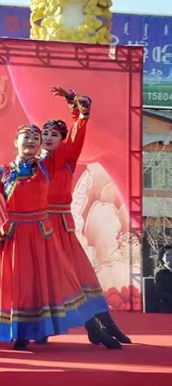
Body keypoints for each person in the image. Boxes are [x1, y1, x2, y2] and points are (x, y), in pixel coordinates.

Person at [0, 123, 122, 351]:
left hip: (43, 236)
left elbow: (73, 145)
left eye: (36, 138)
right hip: (15, 237)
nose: (31, 141)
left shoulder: (46, 165)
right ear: (15, 142)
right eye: (26, 137)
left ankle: (95, 329)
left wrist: (80, 114)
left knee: (64, 282)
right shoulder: (3, 172)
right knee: (22, 285)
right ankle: (21, 334)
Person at [39, 86, 130, 345]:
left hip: (62, 227)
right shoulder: (32, 161)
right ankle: (43, 329)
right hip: (40, 226)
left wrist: (73, 104)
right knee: (44, 279)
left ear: (62, 139)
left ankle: (105, 325)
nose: (48, 138)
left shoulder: (67, 156)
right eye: (45, 133)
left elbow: (79, 128)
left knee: (80, 277)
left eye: (54, 134)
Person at [155, 245, 172, 313]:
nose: (170, 257)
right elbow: (161, 293)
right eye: (167, 255)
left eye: (171, 255)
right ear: (162, 258)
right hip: (167, 309)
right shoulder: (160, 274)